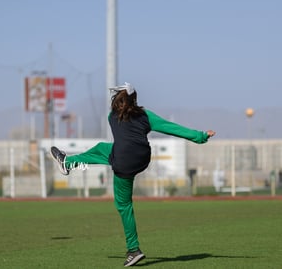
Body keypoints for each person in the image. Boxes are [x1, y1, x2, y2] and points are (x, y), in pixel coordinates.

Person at [50, 82, 216, 267]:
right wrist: (200, 136)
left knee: (124, 205)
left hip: (123, 162)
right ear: (134, 99)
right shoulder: (145, 115)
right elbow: (171, 127)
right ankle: (67, 163)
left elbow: (123, 131)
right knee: (103, 148)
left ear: (117, 99)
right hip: (142, 158)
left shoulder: (112, 117)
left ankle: (133, 250)